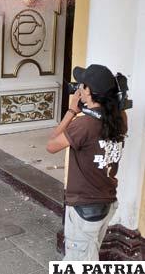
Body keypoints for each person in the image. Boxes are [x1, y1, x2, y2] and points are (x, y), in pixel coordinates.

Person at [46, 64, 128, 261]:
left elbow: (51, 145)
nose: (78, 89)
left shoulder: (83, 125)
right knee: (87, 255)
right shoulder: (120, 118)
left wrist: (72, 111)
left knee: (79, 262)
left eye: (82, 86)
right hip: (105, 203)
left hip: (84, 209)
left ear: (89, 92)